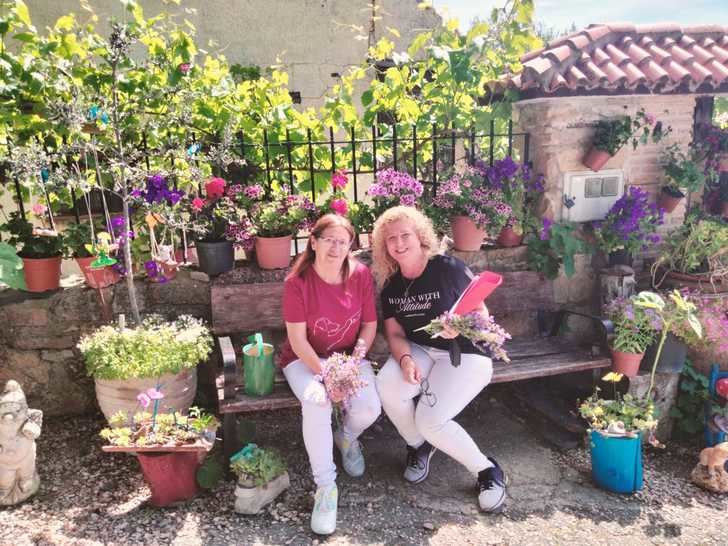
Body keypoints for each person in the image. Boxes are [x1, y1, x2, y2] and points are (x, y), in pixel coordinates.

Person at [371, 205, 507, 513]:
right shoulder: (392, 287)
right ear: (384, 246)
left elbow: (481, 313)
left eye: (405, 234)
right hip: (422, 350)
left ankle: (487, 470)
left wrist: (457, 325)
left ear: (420, 236)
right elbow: (394, 334)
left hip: (466, 354)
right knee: (388, 384)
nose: (399, 242)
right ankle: (419, 446)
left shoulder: (448, 268)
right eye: (390, 238)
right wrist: (405, 360)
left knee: (431, 420)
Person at [280, 213, 381, 535]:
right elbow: (297, 341)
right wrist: (327, 375)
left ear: (351, 245)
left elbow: (369, 325)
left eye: (343, 241)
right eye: (329, 240)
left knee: (368, 408)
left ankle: (346, 437)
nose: (336, 248)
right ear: (313, 242)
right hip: (304, 360)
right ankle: (326, 488)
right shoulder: (297, 283)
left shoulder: (360, 274)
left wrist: (354, 363)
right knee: (317, 401)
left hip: (349, 358)